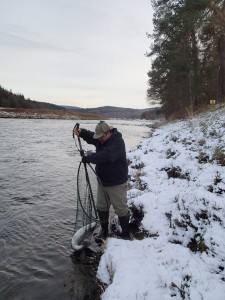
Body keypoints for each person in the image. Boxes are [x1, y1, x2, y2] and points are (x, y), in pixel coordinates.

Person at [73, 120, 130, 241]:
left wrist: (89, 158)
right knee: (101, 207)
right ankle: (104, 232)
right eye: (98, 137)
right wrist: (81, 132)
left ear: (108, 133)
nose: (99, 139)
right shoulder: (101, 139)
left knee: (121, 209)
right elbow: (91, 136)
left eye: (101, 137)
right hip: (102, 181)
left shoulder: (118, 142)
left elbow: (107, 155)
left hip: (117, 183)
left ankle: (126, 235)